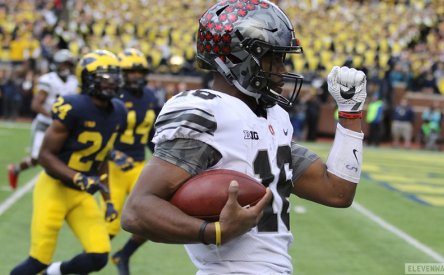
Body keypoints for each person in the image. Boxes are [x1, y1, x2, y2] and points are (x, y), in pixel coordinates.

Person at [121, 1, 367, 274]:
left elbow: (337, 192)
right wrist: (213, 231)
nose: (282, 70)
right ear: (236, 58)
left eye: (282, 58)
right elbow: (137, 211)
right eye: (271, 57)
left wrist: (350, 115)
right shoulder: (209, 111)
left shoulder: (274, 117)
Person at [10, 50, 126, 275]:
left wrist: (109, 200)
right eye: (105, 77)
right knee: (37, 261)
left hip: (81, 194)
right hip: (54, 188)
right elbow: (44, 156)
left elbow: (102, 157)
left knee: (99, 255)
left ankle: (54, 273)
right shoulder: (73, 106)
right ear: (88, 79)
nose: (112, 82)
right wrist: (77, 177)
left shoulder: (118, 111)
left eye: (114, 76)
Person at [107, 48, 159, 275]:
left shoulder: (149, 96)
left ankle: (123, 254)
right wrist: (113, 153)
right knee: (107, 226)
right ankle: (89, 259)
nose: (136, 76)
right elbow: (100, 133)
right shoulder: (113, 96)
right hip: (112, 167)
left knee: (152, 219)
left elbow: (152, 135)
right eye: (131, 72)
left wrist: (162, 157)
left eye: (140, 72)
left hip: (138, 165)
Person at [7, 49, 78, 189]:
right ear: (57, 64)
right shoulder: (49, 80)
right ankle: (15, 170)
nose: (66, 68)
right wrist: (54, 117)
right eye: (64, 64)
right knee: (37, 158)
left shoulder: (73, 81)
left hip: (63, 126)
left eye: (69, 65)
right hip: (45, 124)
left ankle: (59, 183)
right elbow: (36, 104)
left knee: (64, 156)